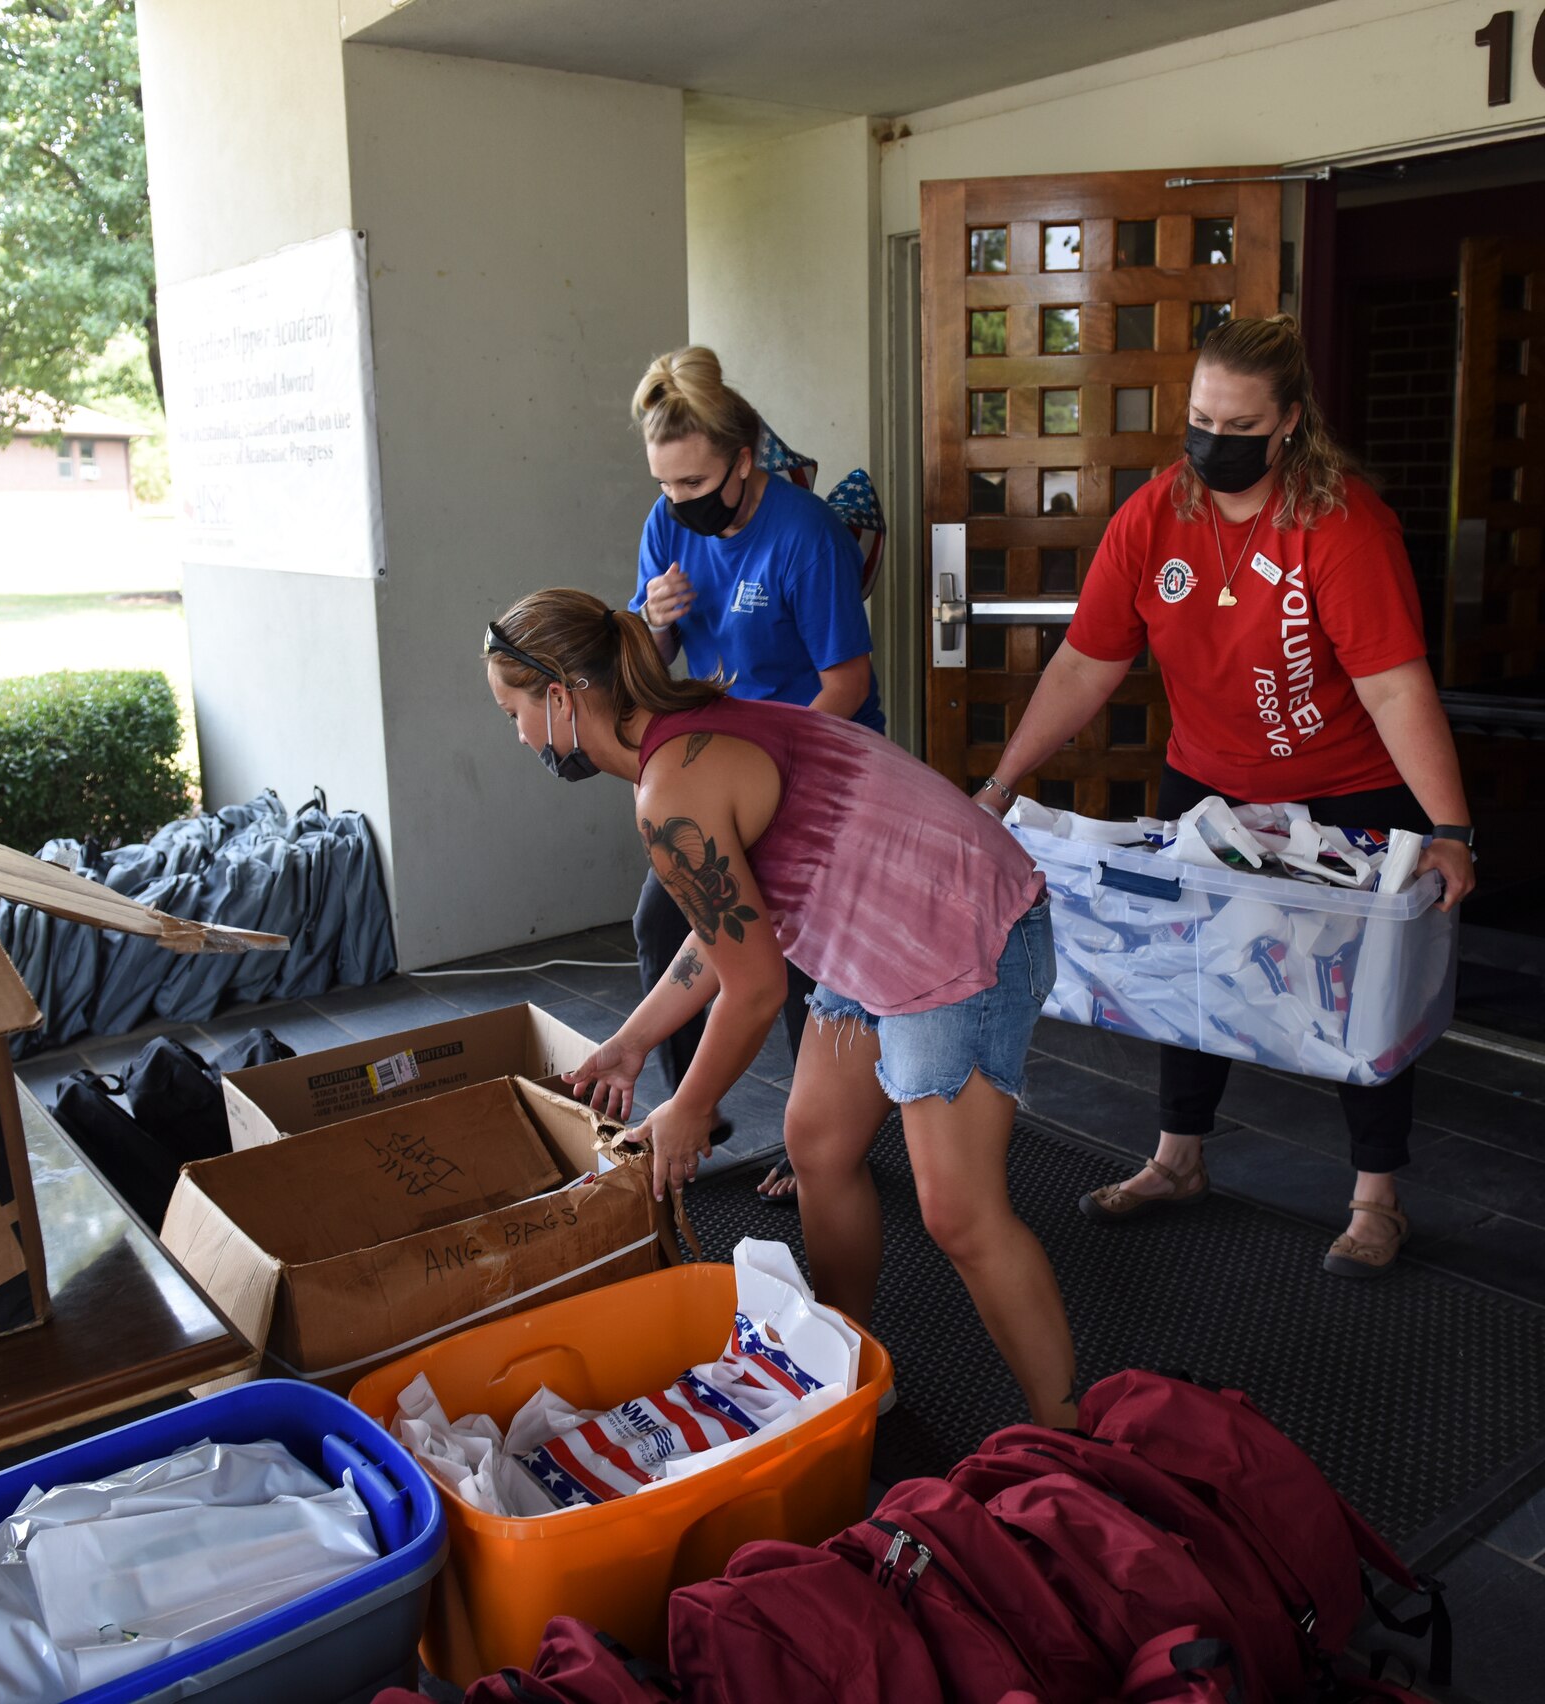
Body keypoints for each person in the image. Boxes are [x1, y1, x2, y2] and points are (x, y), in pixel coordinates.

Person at [483, 589, 1077, 1427]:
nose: (515, 735)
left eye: (512, 712)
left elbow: (756, 987)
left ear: (559, 699)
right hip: (871, 928)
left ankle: (1070, 1433)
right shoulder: (685, 741)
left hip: (957, 931)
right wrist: (631, 1041)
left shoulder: (671, 786)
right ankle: (847, 1376)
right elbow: (723, 925)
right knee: (819, 1147)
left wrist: (691, 1107)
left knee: (961, 1216)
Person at [980, 314, 1474, 1280]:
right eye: (1201, 417)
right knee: (1190, 959)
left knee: (1358, 990)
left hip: (1350, 784)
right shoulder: (1156, 515)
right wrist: (1001, 784)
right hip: (1209, 782)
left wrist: (1450, 826)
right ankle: (1178, 1158)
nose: (1214, 441)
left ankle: (1376, 1198)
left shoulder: (1341, 524)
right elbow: (1088, 662)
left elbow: (1395, 686)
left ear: (1289, 422)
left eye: (1240, 425)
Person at [629, 347, 882, 1200]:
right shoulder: (666, 525)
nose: (678, 504)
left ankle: (827, 1141)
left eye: (695, 485)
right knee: (663, 924)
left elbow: (847, 683)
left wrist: (767, 780)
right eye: (666, 486)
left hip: (814, 758)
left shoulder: (807, 533)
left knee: (810, 965)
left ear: (745, 462)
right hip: (721, 770)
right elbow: (647, 661)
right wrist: (655, 626)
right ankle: (693, 1110)